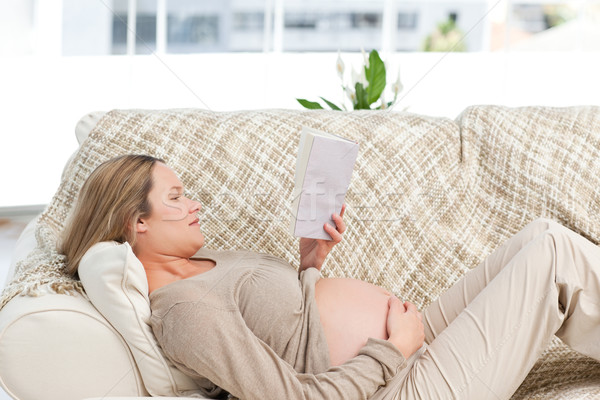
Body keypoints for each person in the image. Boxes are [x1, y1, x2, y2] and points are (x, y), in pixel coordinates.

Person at [60, 154, 600, 400]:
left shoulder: (211, 263)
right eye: (176, 198)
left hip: (411, 348)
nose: (195, 204)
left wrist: (310, 263)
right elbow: (291, 397)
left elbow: (292, 329)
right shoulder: (182, 311)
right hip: (396, 384)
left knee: (541, 234)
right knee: (552, 257)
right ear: (138, 223)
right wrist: (394, 352)